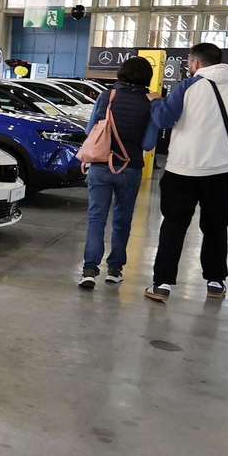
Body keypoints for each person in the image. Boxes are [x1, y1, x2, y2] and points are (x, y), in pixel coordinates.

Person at [146, 43, 228, 303]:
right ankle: (216, 281)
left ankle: (162, 285)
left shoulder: (189, 86)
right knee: (216, 227)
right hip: (225, 170)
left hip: (184, 168)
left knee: (174, 226)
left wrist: (156, 100)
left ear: (194, 63)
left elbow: (164, 120)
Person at [79, 57, 159, 289]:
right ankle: (114, 269)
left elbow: (89, 130)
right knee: (122, 220)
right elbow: (148, 143)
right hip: (129, 168)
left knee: (96, 218)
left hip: (101, 165)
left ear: (121, 73)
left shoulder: (107, 96)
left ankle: (89, 270)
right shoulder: (149, 102)